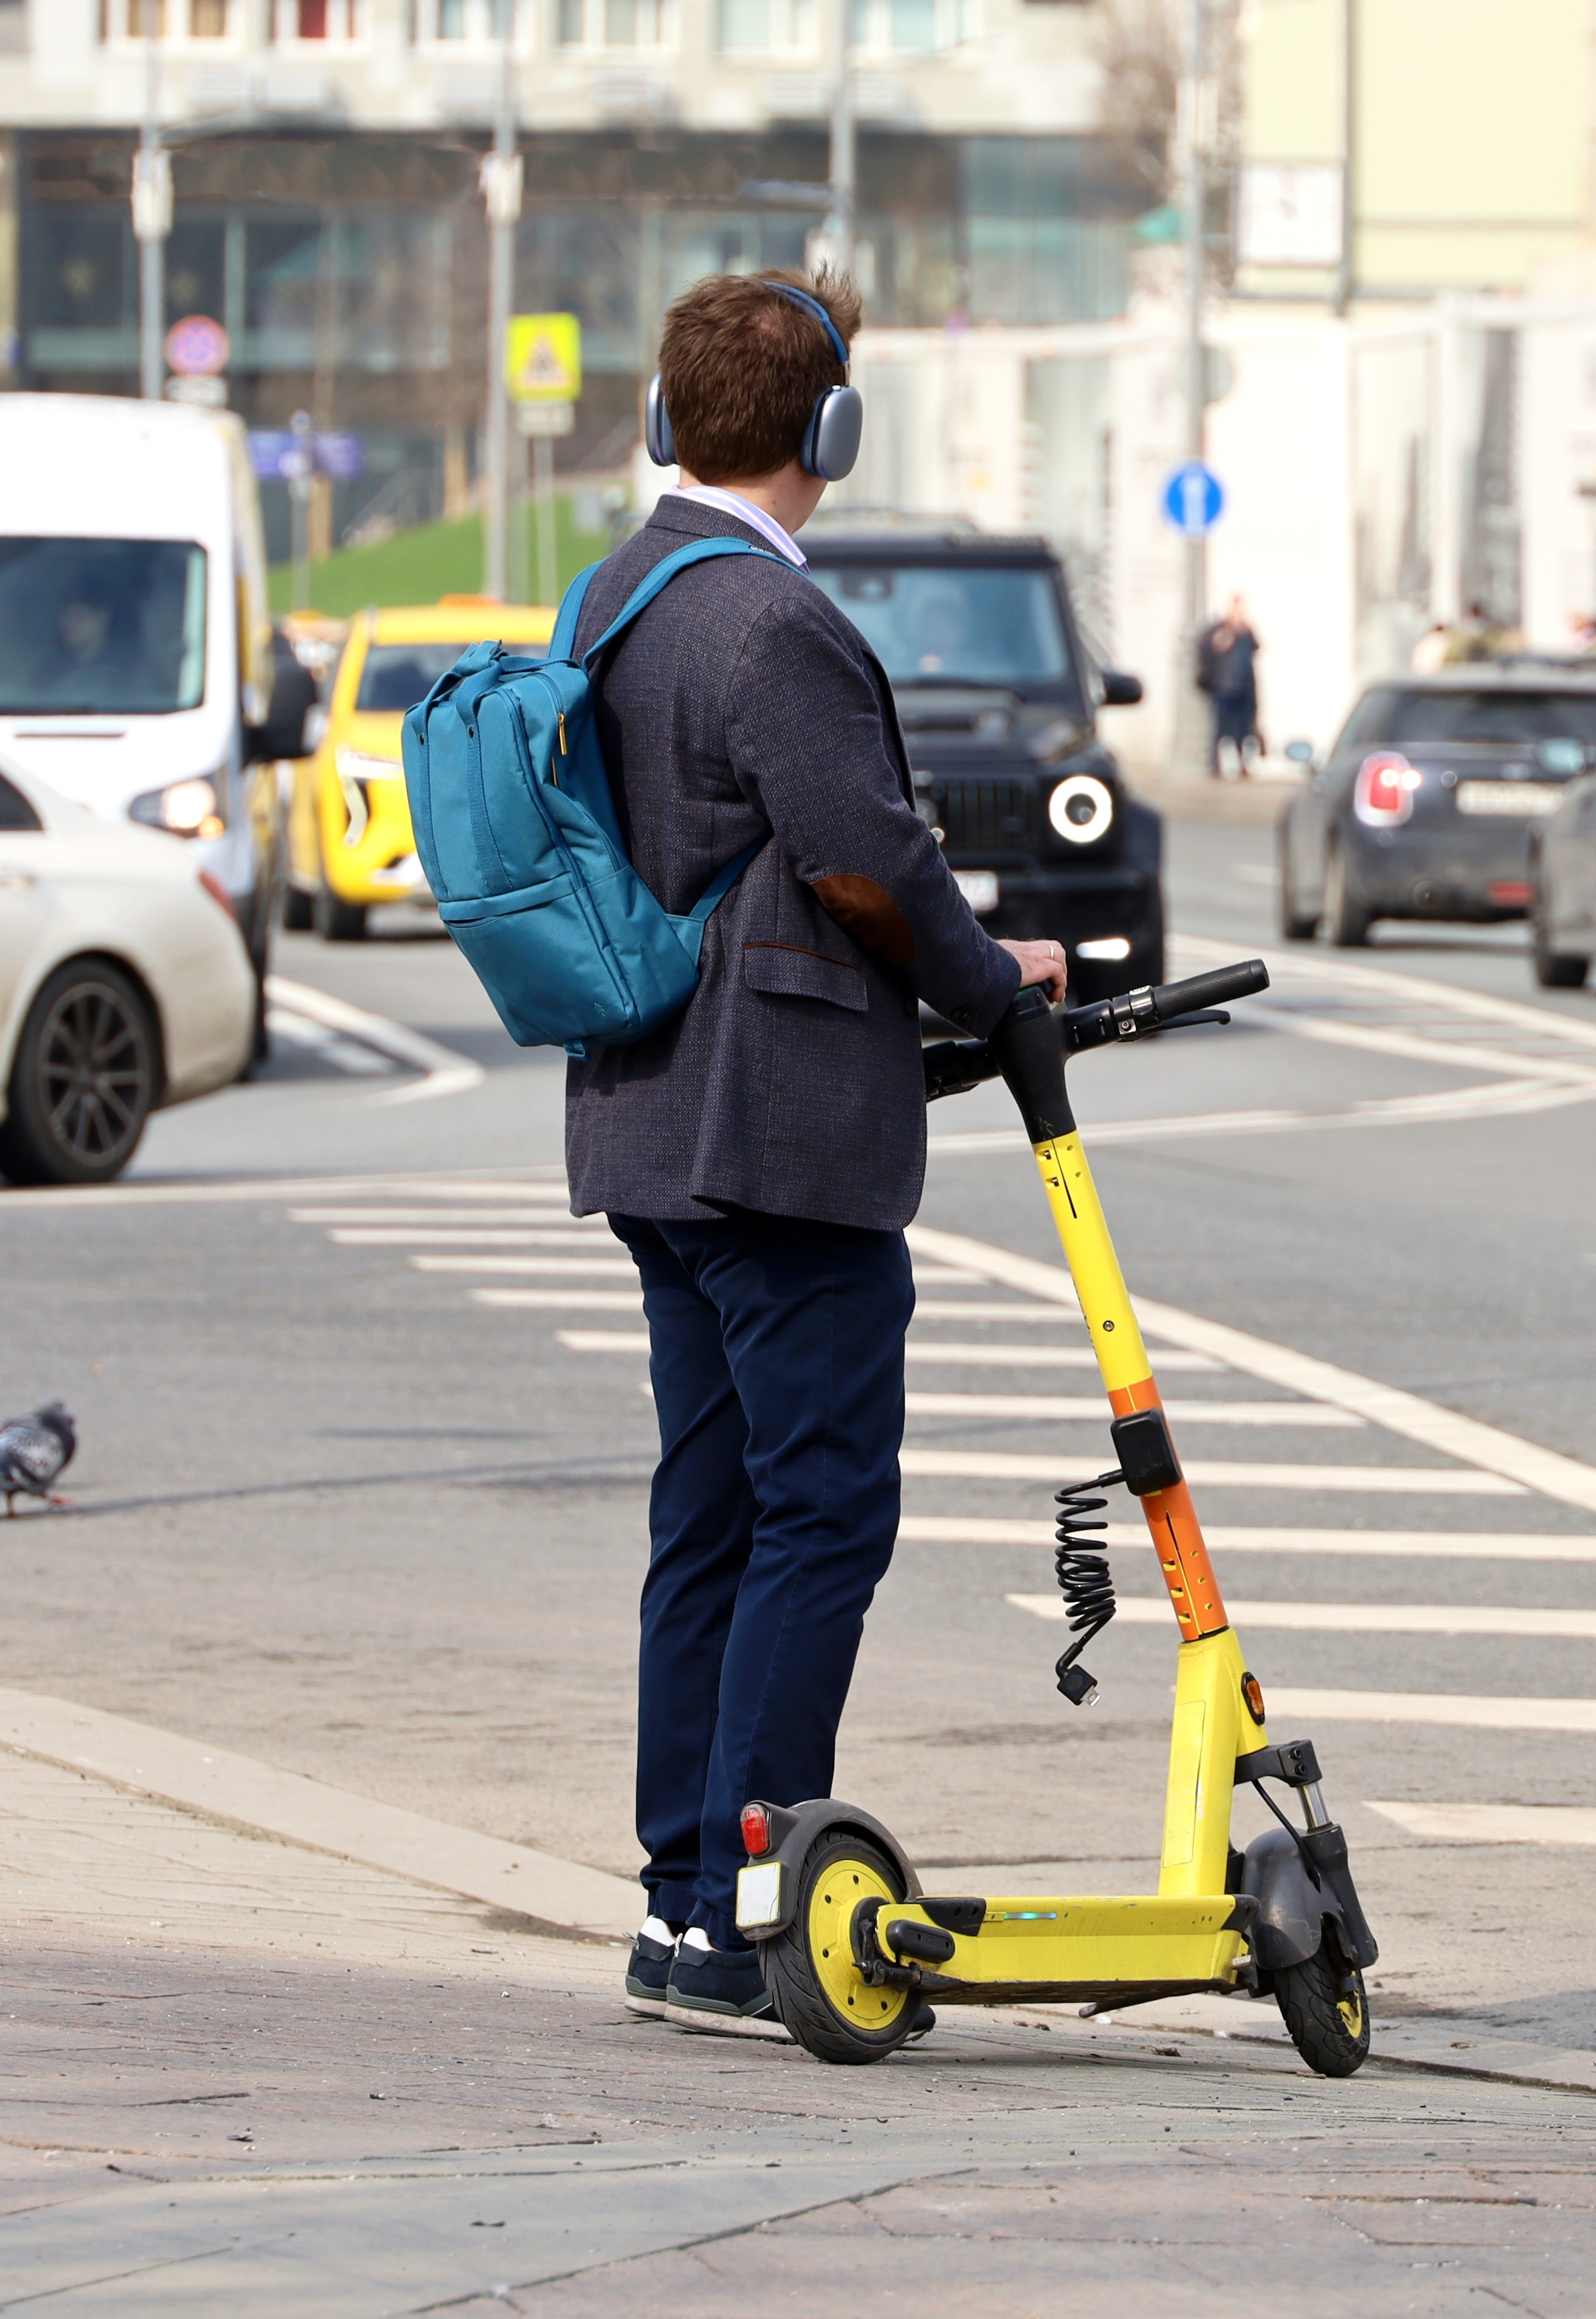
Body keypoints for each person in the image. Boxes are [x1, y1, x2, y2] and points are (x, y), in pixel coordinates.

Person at [563, 265, 1068, 2034]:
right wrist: (990, 972)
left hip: (647, 1124)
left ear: (664, 419)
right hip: (771, 1140)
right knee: (820, 1510)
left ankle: (680, 1902)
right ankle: (755, 1905)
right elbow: (860, 856)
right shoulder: (770, 625)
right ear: (831, 430)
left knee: (708, 1518)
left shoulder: (617, 589)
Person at [1197, 595, 1260, 777]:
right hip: (1223, 687)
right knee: (1220, 728)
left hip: (1244, 688)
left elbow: (1256, 647)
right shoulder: (1219, 629)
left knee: (1243, 729)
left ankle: (1242, 764)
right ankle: (1215, 765)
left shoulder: (1246, 631)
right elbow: (1210, 649)